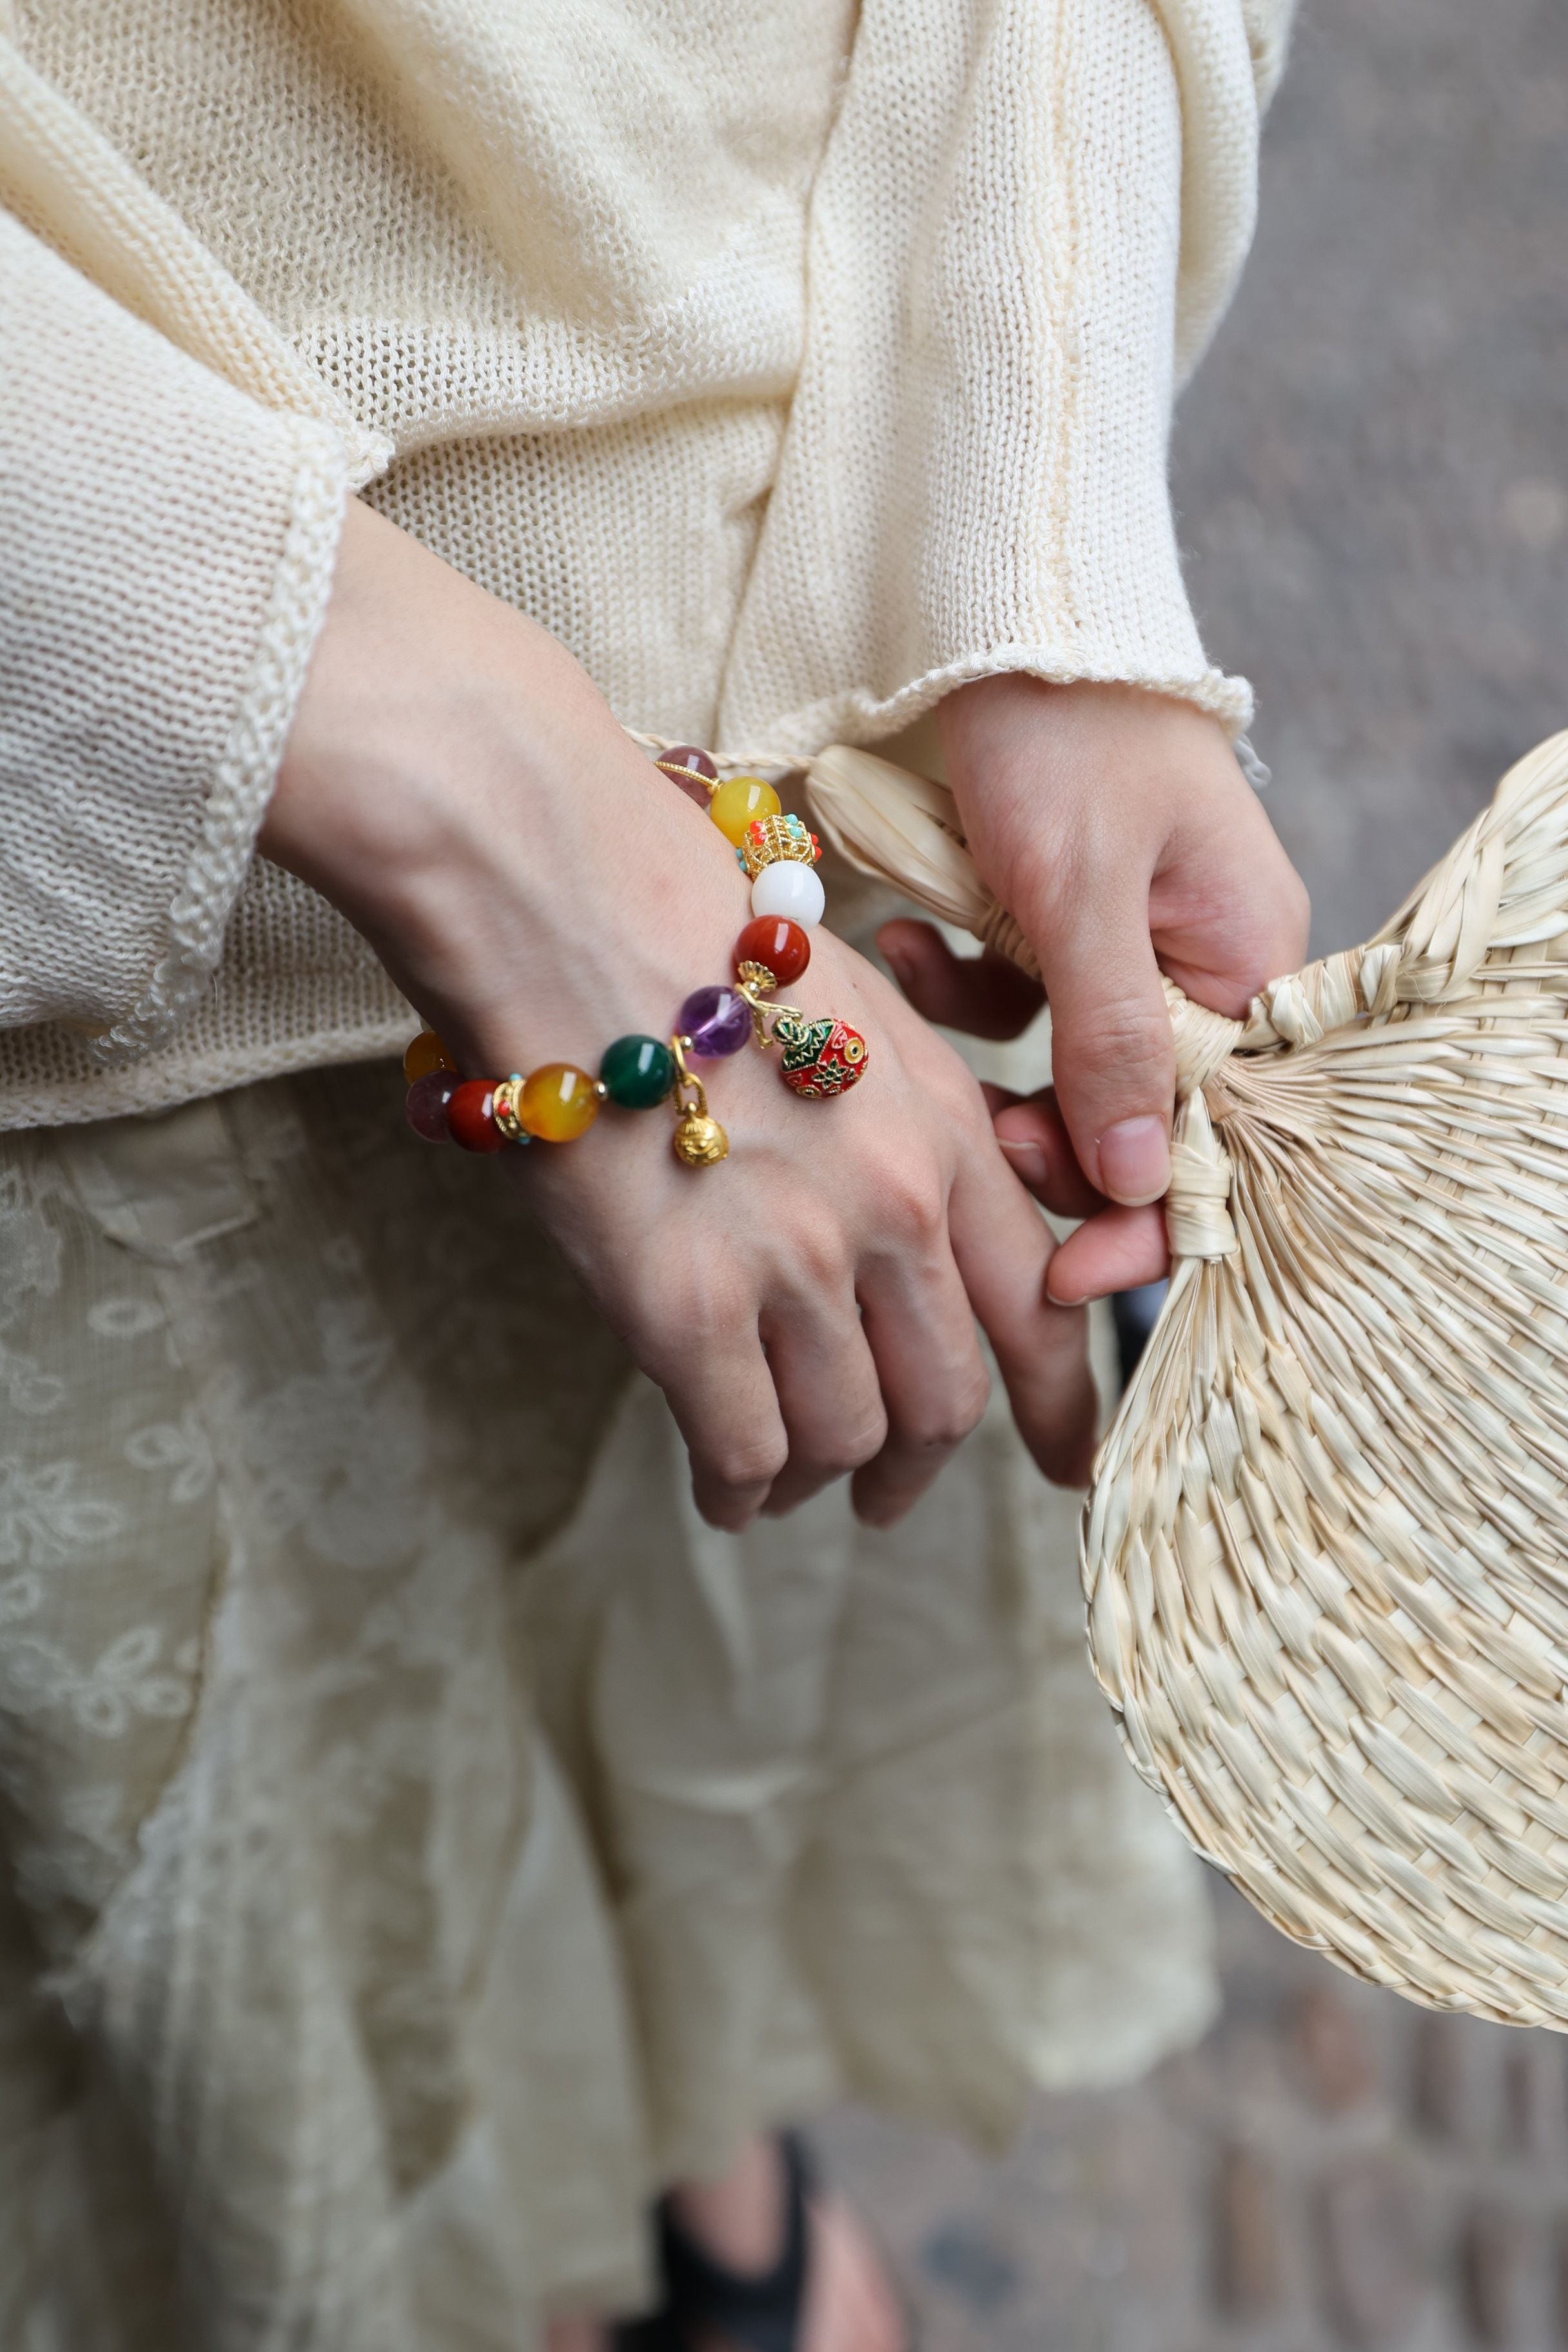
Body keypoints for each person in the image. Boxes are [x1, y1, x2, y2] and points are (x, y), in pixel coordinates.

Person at [0, 1, 1307, 2345]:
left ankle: (693, 2189)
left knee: (674, 1686)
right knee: (272, 1895)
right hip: (108, 907)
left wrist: (1023, 531)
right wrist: (471, 797)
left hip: (806, 796)